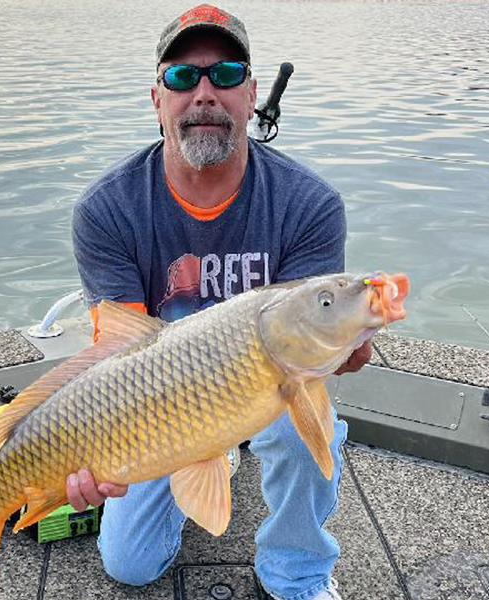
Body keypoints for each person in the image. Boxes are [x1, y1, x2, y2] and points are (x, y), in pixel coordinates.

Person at [68, 5, 371, 600]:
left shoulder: (310, 204)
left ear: (251, 95)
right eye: (183, 77)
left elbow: (312, 339)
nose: (204, 93)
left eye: (226, 74)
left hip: (271, 380)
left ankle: (297, 572)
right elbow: (117, 357)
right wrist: (94, 447)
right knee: (130, 564)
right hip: (160, 398)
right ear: (157, 99)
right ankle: (216, 453)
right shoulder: (105, 210)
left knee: (305, 423)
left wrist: (349, 346)